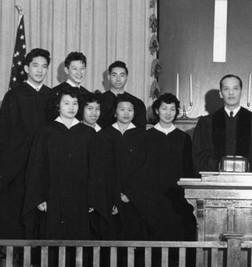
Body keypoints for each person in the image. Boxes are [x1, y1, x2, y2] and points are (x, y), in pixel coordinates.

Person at [23, 88, 105, 240]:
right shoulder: (45, 132)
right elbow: (36, 168)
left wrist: (93, 198)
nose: (71, 107)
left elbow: (95, 170)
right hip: (52, 197)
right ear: (58, 106)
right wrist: (38, 197)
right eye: (66, 103)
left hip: (80, 198)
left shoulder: (88, 134)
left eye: (75, 103)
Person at [0, 48, 53, 240]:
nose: (40, 70)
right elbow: (10, 134)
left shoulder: (52, 96)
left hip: (46, 165)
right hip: (20, 165)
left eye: (44, 66)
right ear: (26, 68)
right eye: (35, 66)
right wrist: (32, 154)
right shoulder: (14, 96)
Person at [134, 93, 196, 243]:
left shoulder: (184, 138)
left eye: (172, 109)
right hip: (152, 197)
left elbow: (189, 169)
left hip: (177, 197)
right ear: (157, 111)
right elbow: (140, 169)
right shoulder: (145, 137)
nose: (168, 113)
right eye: (164, 108)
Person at [91, 94, 145, 241]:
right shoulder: (103, 135)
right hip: (108, 196)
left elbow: (144, 168)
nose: (126, 113)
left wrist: (130, 193)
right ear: (115, 112)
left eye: (130, 110)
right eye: (122, 109)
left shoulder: (142, 136)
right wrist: (113, 196)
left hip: (134, 197)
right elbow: (99, 170)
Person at [192, 74, 252, 173]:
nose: (231, 92)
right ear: (220, 94)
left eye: (235, 88)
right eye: (226, 89)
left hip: (248, 183)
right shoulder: (206, 123)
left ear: (241, 92)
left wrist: (244, 169)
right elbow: (199, 157)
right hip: (215, 183)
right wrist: (220, 167)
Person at [97, 61, 147, 129]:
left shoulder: (137, 103)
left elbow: (140, 129)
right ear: (109, 77)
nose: (118, 79)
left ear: (126, 78)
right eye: (114, 75)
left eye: (122, 75)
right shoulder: (99, 101)